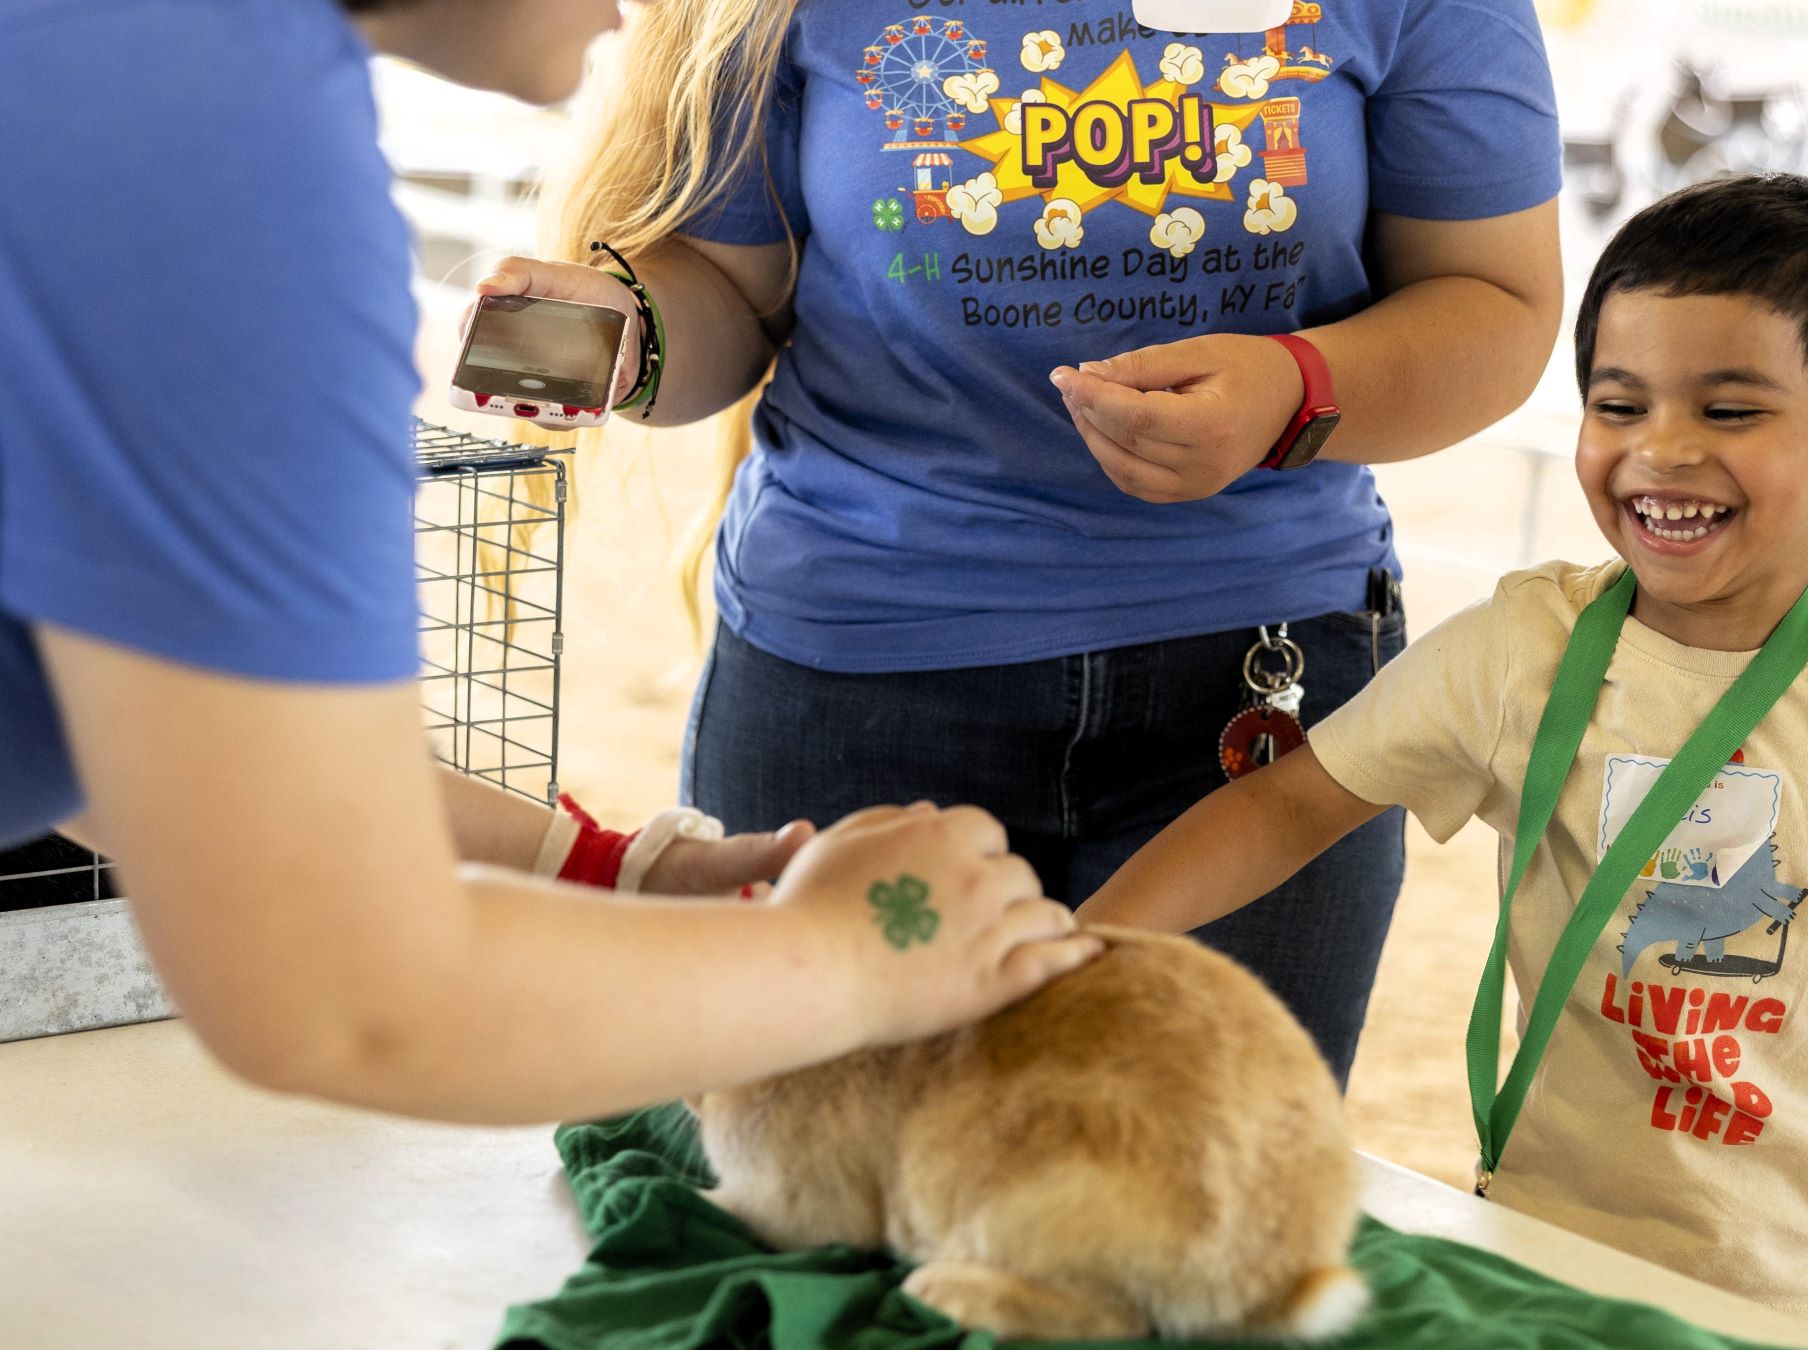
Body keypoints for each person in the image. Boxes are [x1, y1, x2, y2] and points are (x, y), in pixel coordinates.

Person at [1077, 175, 1808, 1348]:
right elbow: (1289, 807)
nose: (1661, 454)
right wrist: (1079, 953)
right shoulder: (1521, 646)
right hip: (1553, 1265)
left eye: (1729, 412)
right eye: (1619, 404)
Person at [0, 0, 1096, 1126]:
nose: (643, 10)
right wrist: (860, 958)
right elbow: (344, 993)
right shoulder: (207, 139)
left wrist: (612, 870)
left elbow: (147, 729)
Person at [470, 0, 1566, 1084]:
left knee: (1198, 1207)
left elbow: (1495, 300)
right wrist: (628, 335)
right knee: (819, 1181)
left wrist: (1295, 392)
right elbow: (724, 289)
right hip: (850, 677)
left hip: (1257, 692)